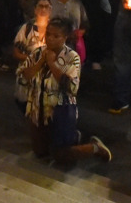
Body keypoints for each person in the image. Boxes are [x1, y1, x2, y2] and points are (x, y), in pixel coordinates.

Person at [21, 18, 112, 163]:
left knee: (61, 155)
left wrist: (52, 63)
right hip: (38, 109)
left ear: (65, 37)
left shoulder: (72, 57)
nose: (50, 39)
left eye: (56, 36)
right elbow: (24, 76)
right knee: (40, 152)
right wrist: (40, 62)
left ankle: (94, 147)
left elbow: (70, 87)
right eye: (48, 34)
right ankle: (72, 137)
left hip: (60, 109)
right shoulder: (38, 52)